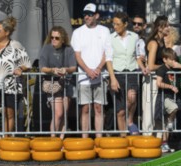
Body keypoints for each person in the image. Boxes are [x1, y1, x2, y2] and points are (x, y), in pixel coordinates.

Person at [71, 3, 112, 138]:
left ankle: (99, 139)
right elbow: (77, 55)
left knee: (99, 108)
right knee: (85, 108)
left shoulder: (105, 31)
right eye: (85, 14)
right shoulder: (77, 32)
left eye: (90, 14)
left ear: (96, 16)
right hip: (83, 77)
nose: (87, 17)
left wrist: (99, 68)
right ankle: (85, 139)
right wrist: (88, 70)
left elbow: (107, 52)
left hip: (101, 75)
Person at [107, 12, 143, 136]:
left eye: (118, 24)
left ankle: (130, 120)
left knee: (132, 97)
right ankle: (123, 136)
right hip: (117, 73)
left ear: (125, 24)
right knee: (120, 109)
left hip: (132, 71)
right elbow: (108, 60)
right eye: (114, 24)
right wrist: (112, 79)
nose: (115, 26)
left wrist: (143, 68)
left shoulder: (134, 37)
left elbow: (137, 56)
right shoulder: (110, 38)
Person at [38, 26, 77, 137]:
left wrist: (66, 70)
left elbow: (73, 67)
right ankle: (53, 139)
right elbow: (42, 68)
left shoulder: (69, 49)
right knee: (58, 113)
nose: (54, 40)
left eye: (57, 38)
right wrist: (52, 70)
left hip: (67, 83)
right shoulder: (46, 48)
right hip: (53, 84)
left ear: (63, 39)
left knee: (63, 114)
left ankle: (61, 141)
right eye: (52, 37)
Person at [155, 48, 181, 152]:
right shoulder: (162, 69)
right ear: (165, 59)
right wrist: (170, 87)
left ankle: (165, 143)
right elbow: (158, 83)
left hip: (175, 97)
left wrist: (180, 66)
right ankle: (169, 126)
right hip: (164, 96)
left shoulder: (176, 68)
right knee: (172, 111)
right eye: (171, 59)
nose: (173, 61)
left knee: (166, 121)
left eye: (174, 59)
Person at [142, 16, 170, 134]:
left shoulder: (162, 41)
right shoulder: (154, 43)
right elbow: (151, 66)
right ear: (159, 27)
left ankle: (159, 140)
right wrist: (166, 66)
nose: (169, 28)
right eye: (167, 26)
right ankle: (147, 138)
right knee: (149, 111)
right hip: (151, 80)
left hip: (159, 79)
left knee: (158, 111)